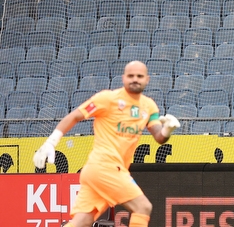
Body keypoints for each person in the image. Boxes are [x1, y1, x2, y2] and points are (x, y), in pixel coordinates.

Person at [32, 61, 181, 227]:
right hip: (105, 166)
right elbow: (74, 116)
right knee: (143, 207)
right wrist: (51, 141)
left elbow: (159, 137)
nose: (135, 79)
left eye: (139, 76)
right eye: (131, 76)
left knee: (83, 221)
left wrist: (167, 129)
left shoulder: (149, 106)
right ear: (123, 78)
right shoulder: (108, 99)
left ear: (147, 79)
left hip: (98, 172)